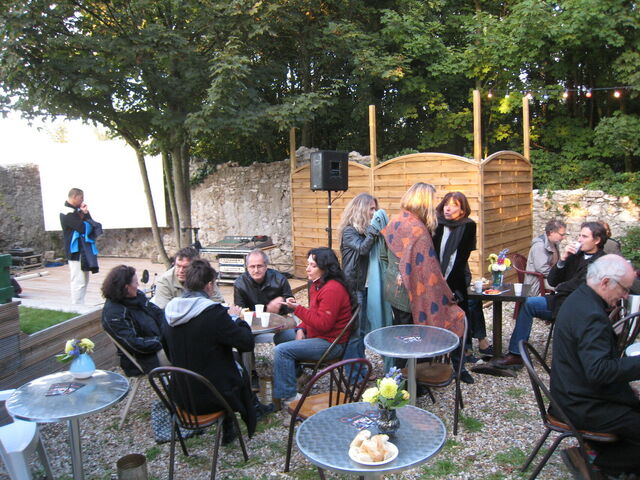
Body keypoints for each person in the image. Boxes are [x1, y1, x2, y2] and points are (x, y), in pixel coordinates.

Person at [162, 259, 273, 445]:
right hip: (212, 396)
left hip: (180, 395)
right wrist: (236, 319)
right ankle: (251, 409)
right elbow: (246, 343)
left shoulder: (168, 312)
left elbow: (168, 351)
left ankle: (233, 422)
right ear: (209, 285)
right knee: (234, 367)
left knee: (227, 362)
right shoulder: (213, 314)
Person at [550, 255, 639, 476]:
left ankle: (598, 453)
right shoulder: (591, 314)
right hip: (579, 404)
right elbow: (599, 371)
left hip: (568, 392)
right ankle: (599, 464)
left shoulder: (580, 298)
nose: (625, 295)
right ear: (606, 282)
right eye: (624, 289)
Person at [493, 221, 607, 369]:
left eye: (584, 236)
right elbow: (553, 280)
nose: (579, 239)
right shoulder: (575, 255)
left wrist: (560, 288)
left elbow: (581, 285)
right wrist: (563, 260)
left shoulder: (602, 261)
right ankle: (516, 354)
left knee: (542, 305)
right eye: (579, 235)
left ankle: (566, 359)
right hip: (560, 301)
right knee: (529, 303)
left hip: (579, 308)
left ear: (597, 240)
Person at [381, 182, 465, 369]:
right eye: (433, 200)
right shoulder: (417, 230)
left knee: (400, 335)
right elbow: (428, 270)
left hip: (392, 290)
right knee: (414, 341)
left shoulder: (397, 220)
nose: (435, 205)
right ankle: (413, 379)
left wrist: (396, 272)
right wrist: (445, 293)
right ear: (425, 201)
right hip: (409, 295)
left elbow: (383, 255)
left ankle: (397, 378)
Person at [273, 248, 353, 404]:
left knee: (281, 351)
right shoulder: (317, 285)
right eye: (308, 264)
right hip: (317, 334)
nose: (307, 269)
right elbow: (314, 314)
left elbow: (323, 324)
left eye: (313, 265)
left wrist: (297, 309)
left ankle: (290, 397)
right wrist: (301, 329)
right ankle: (298, 375)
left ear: (325, 268)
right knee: (280, 336)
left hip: (331, 343)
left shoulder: (332, 289)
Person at [432, 191, 485, 382]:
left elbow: (461, 259)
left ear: (462, 210)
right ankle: (431, 366)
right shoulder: (435, 223)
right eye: (447, 204)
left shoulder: (468, 226)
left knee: (458, 326)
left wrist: (450, 288)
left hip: (455, 282)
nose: (448, 208)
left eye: (454, 205)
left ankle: (460, 367)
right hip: (433, 282)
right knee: (433, 325)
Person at [101, 265, 167, 376]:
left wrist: (169, 331)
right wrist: (164, 340)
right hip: (147, 358)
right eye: (136, 282)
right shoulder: (114, 314)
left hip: (160, 342)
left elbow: (158, 313)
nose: (138, 285)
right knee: (186, 349)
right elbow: (135, 344)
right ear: (126, 287)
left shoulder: (137, 296)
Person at [339, 193, 379, 361]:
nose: (374, 212)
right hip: (355, 288)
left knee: (363, 330)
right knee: (355, 332)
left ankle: (360, 366)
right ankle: (352, 370)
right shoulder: (349, 231)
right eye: (371, 209)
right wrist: (373, 232)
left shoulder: (365, 231)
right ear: (362, 210)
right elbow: (362, 249)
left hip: (367, 287)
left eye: (375, 209)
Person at [60, 187, 102, 304]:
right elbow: (83, 228)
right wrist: (84, 217)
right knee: (78, 280)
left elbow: (91, 223)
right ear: (74, 197)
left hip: (83, 250)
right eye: (81, 198)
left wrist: (85, 213)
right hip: (75, 251)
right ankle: (77, 306)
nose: (83, 200)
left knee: (84, 279)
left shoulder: (77, 212)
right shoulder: (66, 212)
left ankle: (80, 303)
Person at [151, 247, 224, 308]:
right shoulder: (165, 281)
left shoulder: (206, 276)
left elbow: (218, 303)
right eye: (178, 266)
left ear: (196, 267)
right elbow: (163, 310)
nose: (181, 271)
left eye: (185, 267)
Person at [233, 249, 293, 314]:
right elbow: (240, 310)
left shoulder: (280, 279)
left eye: (259, 266)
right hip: (251, 318)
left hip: (278, 317)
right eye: (252, 267)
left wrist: (281, 300)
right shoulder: (240, 283)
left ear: (266, 266)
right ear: (247, 267)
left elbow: (292, 306)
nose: (256, 270)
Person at [524, 219, 566, 296]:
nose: (563, 237)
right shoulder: (539, 246)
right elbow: (542, 268)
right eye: (561, 235)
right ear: (551, 233)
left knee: (569, 283)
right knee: (565, 287)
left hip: (548, 277)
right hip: (538, 281)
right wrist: (558, 277)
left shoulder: (554, 243)